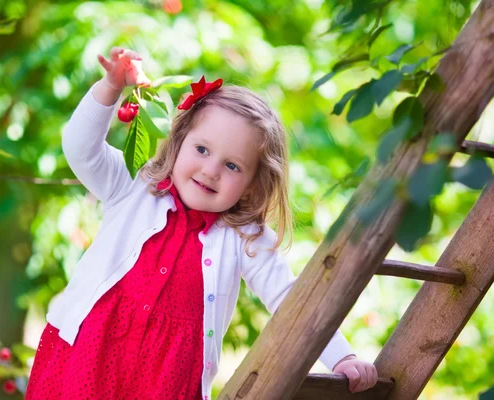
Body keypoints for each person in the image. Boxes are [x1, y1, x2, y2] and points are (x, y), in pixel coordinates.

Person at [25, 47, 378, 400]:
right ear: (179, 143)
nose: (211, 171)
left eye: (233, 166)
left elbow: (291, 299)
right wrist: (110, 87)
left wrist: (340, 356)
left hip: (167, 384)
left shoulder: (245, 237)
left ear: (254, 182)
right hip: (85, 361)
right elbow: (80, 149)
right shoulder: (134, 187)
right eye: (202, 150)